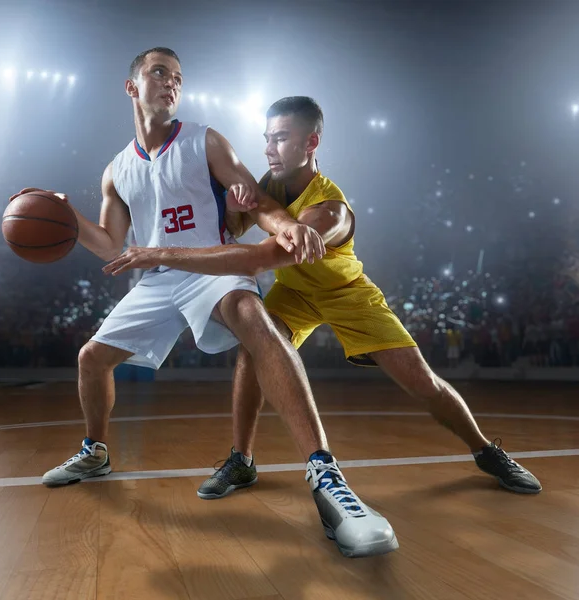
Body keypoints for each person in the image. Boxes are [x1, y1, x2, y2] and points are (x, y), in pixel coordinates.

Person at [11, 50, 397, 559]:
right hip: (153, 276)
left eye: (177, 77)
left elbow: (258, 203)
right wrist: (65, 215)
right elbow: (111, 244)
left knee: (256, 321)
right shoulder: (117, 170)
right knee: (90, 360)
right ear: (131, 87)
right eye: (158, 73)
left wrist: (291, 227)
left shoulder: (204, 140)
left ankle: (326, 475)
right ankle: (96, 452)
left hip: (211, 268)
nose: (170, 83)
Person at [170, 96, 542, 499]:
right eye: (267, 138)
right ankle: (241, 461)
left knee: (423, 384)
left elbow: (261, 258)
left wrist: (166, 255)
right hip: (295, 291)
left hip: (345, 293)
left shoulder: (331, 210)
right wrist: (231, 206)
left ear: (310, 144)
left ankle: (487, 452)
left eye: (280, 138)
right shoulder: (269, 183)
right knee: (252, 351)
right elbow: (237, 226)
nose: (268, 148)